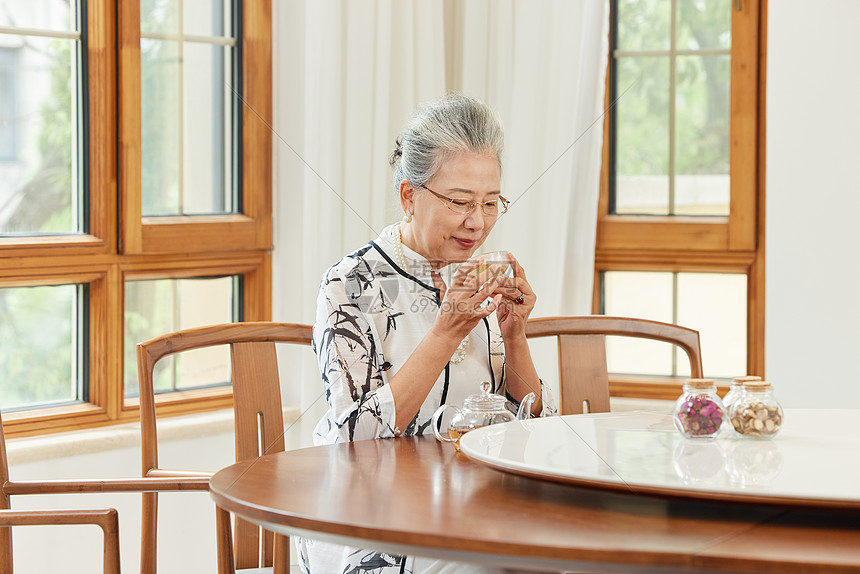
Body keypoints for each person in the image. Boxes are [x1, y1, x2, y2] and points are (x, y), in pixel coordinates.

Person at [297, 93, 557, 574]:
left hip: (482, 509)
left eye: (490, 203)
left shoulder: (482, 274)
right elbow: (353, 440)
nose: (476, 222)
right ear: (409, 196)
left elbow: (533, 429)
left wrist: (515, 335)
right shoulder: (351, 283)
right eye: (460, 202)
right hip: (374, 519)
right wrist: (445, 333)